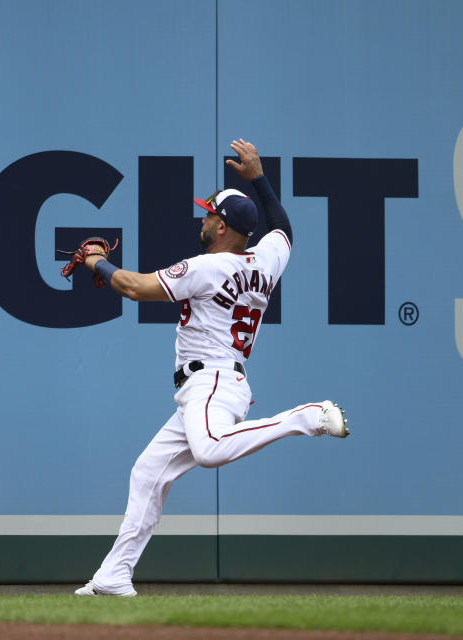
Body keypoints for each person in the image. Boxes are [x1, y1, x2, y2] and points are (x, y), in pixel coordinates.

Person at [72, 139, 350, 597]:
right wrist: (259, 179)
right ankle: (113, 576)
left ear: (221, 227)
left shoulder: (208, 266)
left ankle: (303, 417)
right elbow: (283, 229)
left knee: (210, 450)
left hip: (213, 381)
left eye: (208, 215)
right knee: (148, 473)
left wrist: (97, 262)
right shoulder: (266, 259)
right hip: (210, 383)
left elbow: (136, 287)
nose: (202, 220)